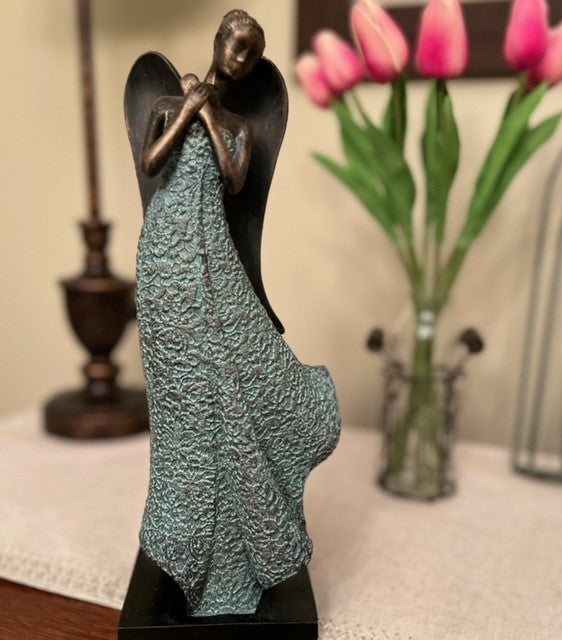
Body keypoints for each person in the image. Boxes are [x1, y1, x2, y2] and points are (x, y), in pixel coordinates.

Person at [133, 10, 341, 617]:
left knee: (244, 357)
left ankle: (241, 535)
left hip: (213, 249)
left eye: (251, 52)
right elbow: (152, 162)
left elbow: (233, 177)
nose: (239, 57)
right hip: (167, 254)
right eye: (235, 43)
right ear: (219, 40)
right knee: (186, 393)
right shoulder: (168, 104)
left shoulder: (238, 125)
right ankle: (186, 530)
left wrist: (207, 112)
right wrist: (188, 108)